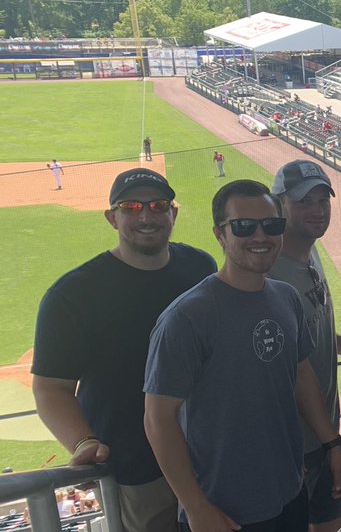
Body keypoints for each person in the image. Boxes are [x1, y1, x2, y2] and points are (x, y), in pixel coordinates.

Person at [144, 180, 341, 530]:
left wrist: (333, 444)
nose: (261, 236)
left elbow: (302, 376)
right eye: (243, 226)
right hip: (224, 510)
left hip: (289, 493)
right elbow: (158, 419)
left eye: (272, 225)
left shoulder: (286, 298)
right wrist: (196, 507)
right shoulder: (186, 317)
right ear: (219, 234)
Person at [32, 169, 216, 532]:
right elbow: (51, 388)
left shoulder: (200, 267)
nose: (145, 216)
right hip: (136, 470)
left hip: (211, 455)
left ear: (173, 214)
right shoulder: (72, 294)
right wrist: (83, 441)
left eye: (157, 205)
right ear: (111, 217)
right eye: (131, 207)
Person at [268, 161, 341, 532]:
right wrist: (332, 445)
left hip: (324, 434)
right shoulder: (269, 274)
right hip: (293, 447)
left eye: (322, 200)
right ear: (278, 203)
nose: (317, 210)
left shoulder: (310, 251)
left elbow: (308, 335)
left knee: (333, 520)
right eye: (304, 202)